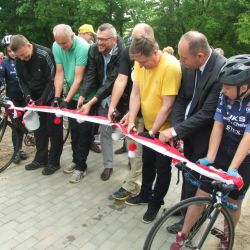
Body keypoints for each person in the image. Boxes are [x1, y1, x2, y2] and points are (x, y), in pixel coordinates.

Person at [170, 55, 250, 250]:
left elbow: (248, 138)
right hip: (223, 148)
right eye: (222, 86)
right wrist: (211, 158)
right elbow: (218, 125)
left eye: (227, 87)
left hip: (246, 156)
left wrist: (232, 170)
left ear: (245, 86)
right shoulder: (225, 94)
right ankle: (184, 233)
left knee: (233, 200)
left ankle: (226, 237)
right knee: (202, 190)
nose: (222, 90)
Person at [159, 31, 226, 232]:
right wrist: (176, 130)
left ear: (200, 56)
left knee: (199, 181)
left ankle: (193, 221)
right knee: (188, 174)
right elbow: (181, 98)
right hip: (188, 133)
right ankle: (184, 211)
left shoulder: (220, 70)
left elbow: (207, 113)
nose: (181, 61)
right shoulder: (189, 66)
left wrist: (176, 129)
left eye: (184, 58)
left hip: (207, 138)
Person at [125, 36, 182, 223]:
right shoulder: (139, 64)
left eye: (143, 61)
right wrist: (132, 120)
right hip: (149, 126)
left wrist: (153, 132)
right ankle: (144, 194)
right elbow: (135, 93)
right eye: (138, 62)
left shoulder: (170, 67)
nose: (140, 66)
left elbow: (168, 105)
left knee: (162, 169)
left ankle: (155, 204)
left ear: (155, 53)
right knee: (147, 162)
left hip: (165, 131)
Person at [108, 23, 155, 200]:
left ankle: (133, 185)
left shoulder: (157, 57)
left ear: (149, 38)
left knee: (140, 155)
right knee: (132, 150)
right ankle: (135, 180)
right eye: (132, 39)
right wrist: (113, 107)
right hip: (133, 111)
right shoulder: (129, 52)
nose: (133, 43)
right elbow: (121, 79)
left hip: (149, 115)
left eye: (137, 39)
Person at [10, 34, 63, 175]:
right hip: (34, 99)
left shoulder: (44, 54)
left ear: (28, 45)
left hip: (51, 98)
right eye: (19, 56)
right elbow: (21, 80)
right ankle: (41, 158)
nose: (22, 58)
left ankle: (54, 162)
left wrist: (43, 99)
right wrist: (27, 96)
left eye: (23, 55)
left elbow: (52, 80)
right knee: (39, 130)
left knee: (54, 130)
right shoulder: (18, 58)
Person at [78, 23, 125, 181]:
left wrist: (91, 102)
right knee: (104, 132)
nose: (99, 43)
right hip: (102, 98)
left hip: (122, 98)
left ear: (113, 40)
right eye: (98, 39)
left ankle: (134, 164)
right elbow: (91, 73)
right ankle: (108, 165)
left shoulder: (123, 52)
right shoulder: (93, 49)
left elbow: (112, 81)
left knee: (129, 134)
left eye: (103, 40)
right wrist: (83, 96)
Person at [52, 24, 90, 183]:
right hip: (71, 95)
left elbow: (78, 77)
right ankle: (76, 160)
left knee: (84, 132)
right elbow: (59, 72)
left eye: (65, 43)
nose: (62, 47)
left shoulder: (83, 47)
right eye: (59, 43)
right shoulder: (56, 45)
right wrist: (57, 97)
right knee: (74, 130)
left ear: (72, 36)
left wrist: (66, 100)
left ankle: (81, 166)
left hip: (86, 95)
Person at [0, 35, 27, 163]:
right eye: (9, 51)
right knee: (16, 126)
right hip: (13, 99)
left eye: (13, 50)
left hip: (26, 98)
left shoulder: (23, 59)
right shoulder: (4, 63)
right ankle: (18, 151)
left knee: (29, 123)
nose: (12, 53)